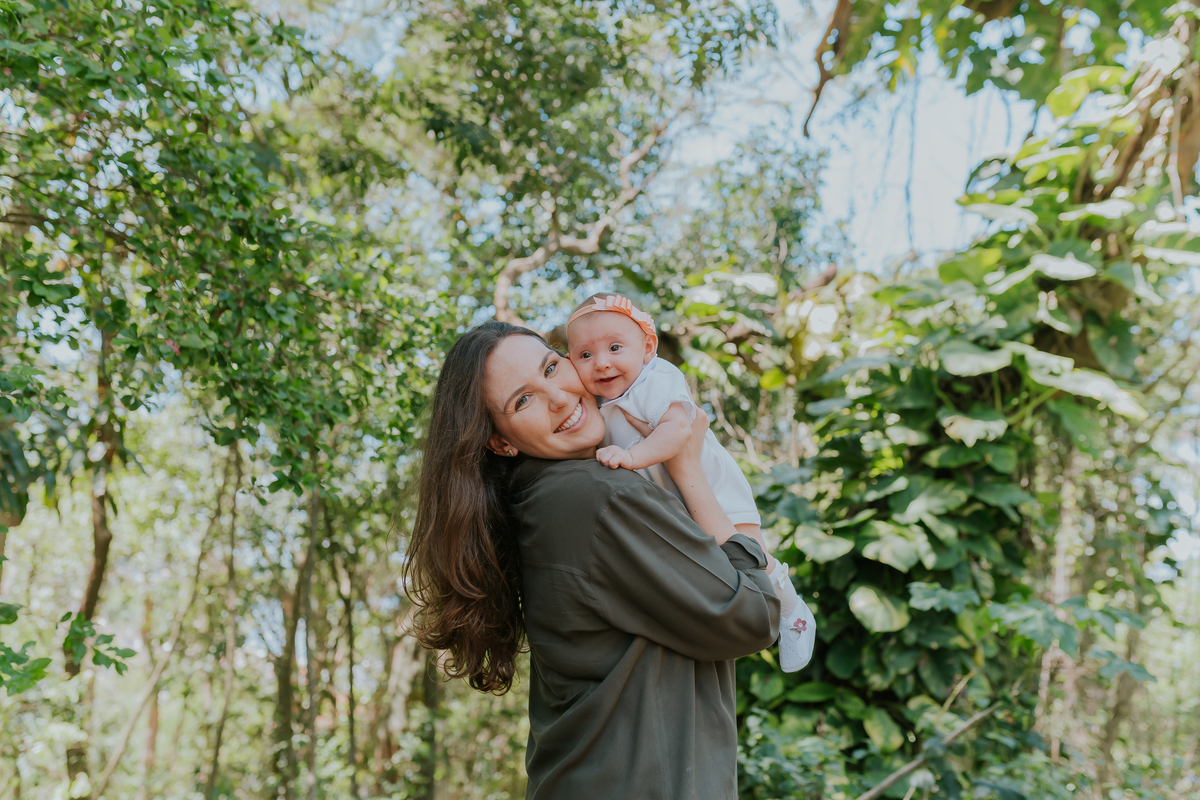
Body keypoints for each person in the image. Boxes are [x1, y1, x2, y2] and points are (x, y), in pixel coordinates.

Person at [405, 321, 780, 800]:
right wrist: (688, 469)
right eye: (523, 400)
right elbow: (753, 614)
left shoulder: (538, 503)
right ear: (500, 442)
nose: (559, 398)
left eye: (552, 368)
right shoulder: (595, 495)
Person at [564, 292, 815, 672]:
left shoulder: (656, 378)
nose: (601, 363)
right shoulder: (596, 403)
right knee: (718, 570)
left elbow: (678, 429)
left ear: (647, 347)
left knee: (750, 555)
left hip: (713, 486)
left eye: (616, 347)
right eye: (585, 355)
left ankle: (792, 609)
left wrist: (631, 457)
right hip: (673, 499)